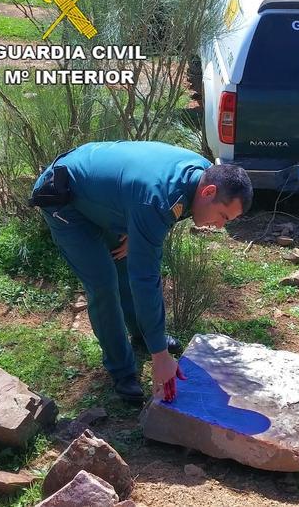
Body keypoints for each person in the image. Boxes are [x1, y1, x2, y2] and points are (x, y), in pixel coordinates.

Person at [30, 141, 253, 404]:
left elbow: (149, 211)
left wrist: (135, 231)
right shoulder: (157, 198)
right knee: (103, 282)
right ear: (209, 192)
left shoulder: (201, 176)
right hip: (64, 197)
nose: (219, 226)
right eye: (222, 216)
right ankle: (122, 371)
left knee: (124, 261)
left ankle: (143, 335)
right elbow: (145, 278)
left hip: (107, 195)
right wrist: (161, 357)